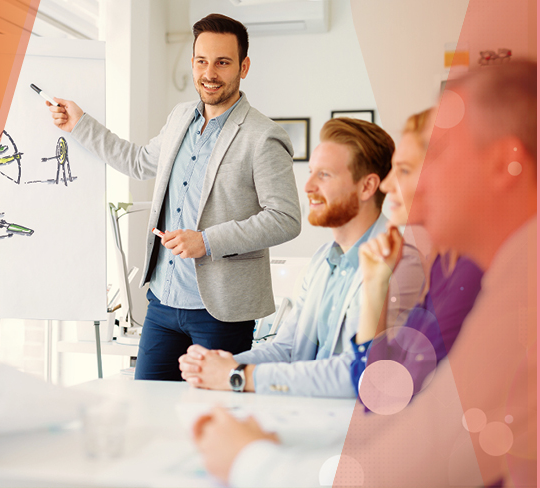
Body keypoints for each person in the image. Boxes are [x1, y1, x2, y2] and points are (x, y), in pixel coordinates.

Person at [192, 61, 537, 487]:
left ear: (505, 166)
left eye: (437, 157)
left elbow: (419, 446)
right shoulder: (478, 269)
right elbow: (389, 389)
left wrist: (249, 458)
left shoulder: (516, 284)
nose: (397, 185)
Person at [49, 14, 302, 380]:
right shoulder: (180, 116)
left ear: (243, 67)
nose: (209, 73)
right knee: (148, 410)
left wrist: (207, 241)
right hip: (162, 304)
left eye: (222, 62)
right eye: (201, 61)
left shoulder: (263, 136)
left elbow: (285, 217)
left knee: (211, 423)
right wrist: (79, 124)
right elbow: (137, 161)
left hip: (221, 311)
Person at [179, 117, 425, 397]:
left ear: (367, 187)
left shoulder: (401, 265)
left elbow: (357, 374)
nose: (307, 186)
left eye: (324, 175)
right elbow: (288, 347)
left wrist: (238, 375)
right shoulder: (323, 260)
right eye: (310, 172)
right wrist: (218, 366)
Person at [349, 108, 483, 404]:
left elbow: (385, 394)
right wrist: (376, 286)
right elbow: (372, 382)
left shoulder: (473, 271)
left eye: (405, 170)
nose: (386, 185)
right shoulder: (444, 265)